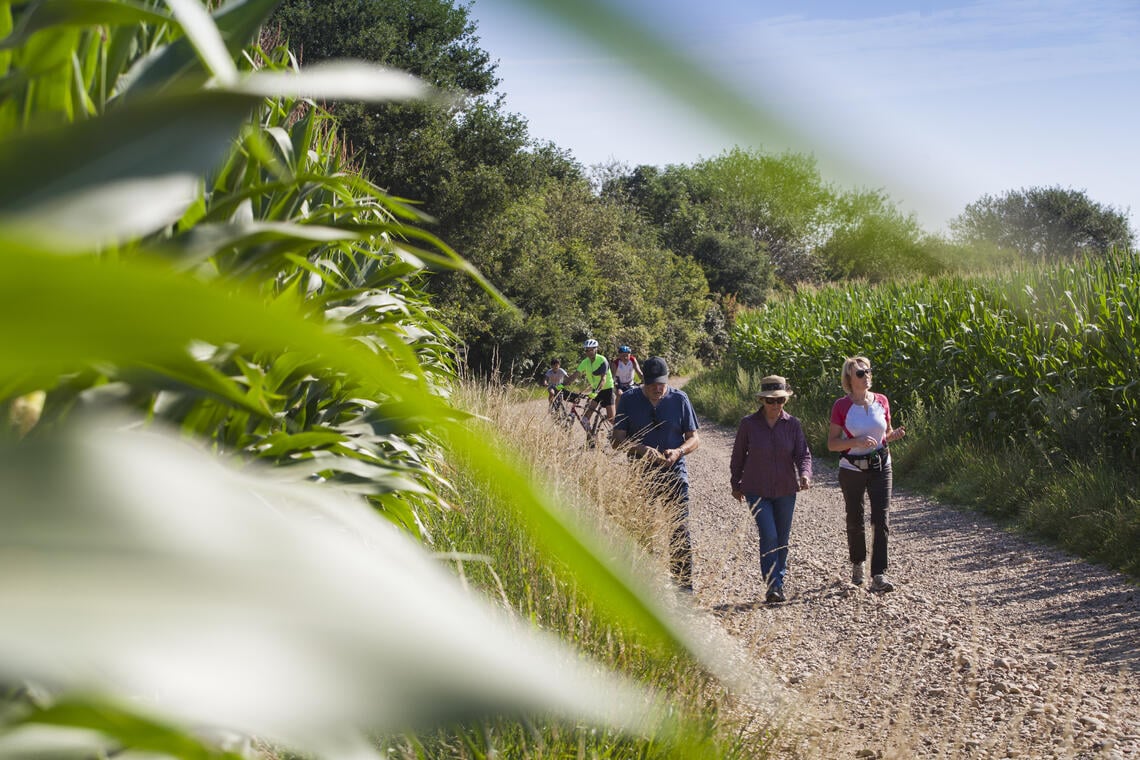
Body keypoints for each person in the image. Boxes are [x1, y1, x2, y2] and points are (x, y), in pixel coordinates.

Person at [612, 357, 701, 592]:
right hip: (641, 474)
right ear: (644, 382)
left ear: (667, 380)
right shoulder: (629, 400)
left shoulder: (679, 399)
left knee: (679, 529)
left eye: (661, 384)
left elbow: (694, 438)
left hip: (674, 472)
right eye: (652, 385)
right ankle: (645, 587)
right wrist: (640, 449)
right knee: (642, 530)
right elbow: (616, 439)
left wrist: (679, 451)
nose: (657, 389)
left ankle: (684, 589)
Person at [826, 356, 906, 593]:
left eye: (869, 371)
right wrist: (856, 441)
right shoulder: (841, 406)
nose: (867, 376)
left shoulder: (882, 400)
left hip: (882, 465)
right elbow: (831, 444)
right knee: (855, 518)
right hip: (852, 468)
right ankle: (858, 564)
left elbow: (885, 434)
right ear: (849, 378)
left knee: (881, 520)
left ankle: (879, 574)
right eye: (860, 373)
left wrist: (893, 436)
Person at [730, 375, 812, 604]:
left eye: (780, 401)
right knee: (769, 534)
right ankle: (773, 585)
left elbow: (803, 454)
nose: (775, 405)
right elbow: (738, 456)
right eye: (770, 401)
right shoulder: (749, 424)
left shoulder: (792, 424)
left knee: (782, 538)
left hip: (786, 489)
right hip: (756, 489)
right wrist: (735, 484)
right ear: (762, 401)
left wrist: (805, 474)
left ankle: (779, 582)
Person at [567, 338, 616, 444]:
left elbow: (603, 379)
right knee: (585, 418)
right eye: (586, 350)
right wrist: (562, 384)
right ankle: (591, 440)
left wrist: (596, 392)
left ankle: (624, 434)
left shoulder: (602, 360)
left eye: (590, 350)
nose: (588, 352)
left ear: (596, 349)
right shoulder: (585, 362)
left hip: (607, 389)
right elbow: (575, 375)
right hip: (596, 391)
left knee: (611, 418)